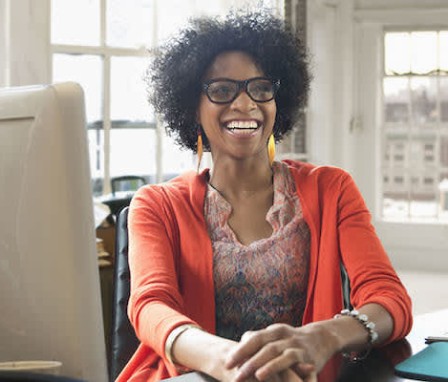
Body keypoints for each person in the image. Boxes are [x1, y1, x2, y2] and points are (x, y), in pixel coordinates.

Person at [117, 11, 412, 382]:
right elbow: (150, 306)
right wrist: (230, 360)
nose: (245, 104)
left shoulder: (331, 189)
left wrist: (320, 337)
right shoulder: (156, 204)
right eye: (222, 90)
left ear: (278, 100)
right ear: (193, 107)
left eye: (260, 88)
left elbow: (390, 299)